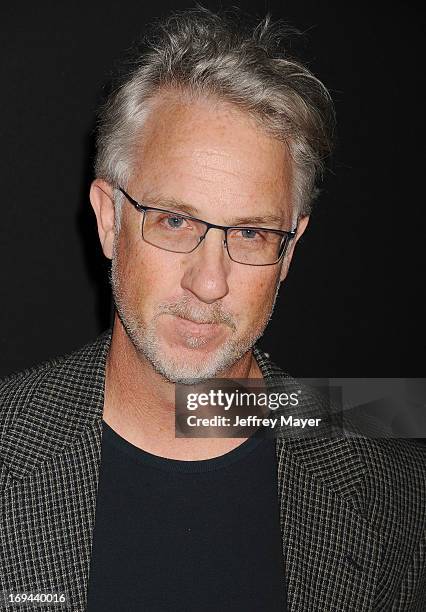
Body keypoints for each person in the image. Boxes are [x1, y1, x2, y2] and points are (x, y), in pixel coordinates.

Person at [1, 7, 425, 612]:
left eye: (250, 233)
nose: (209, 282)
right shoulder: (8, 446)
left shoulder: (391, 484)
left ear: (289, 250)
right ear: (109, 219)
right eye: (175, 221)